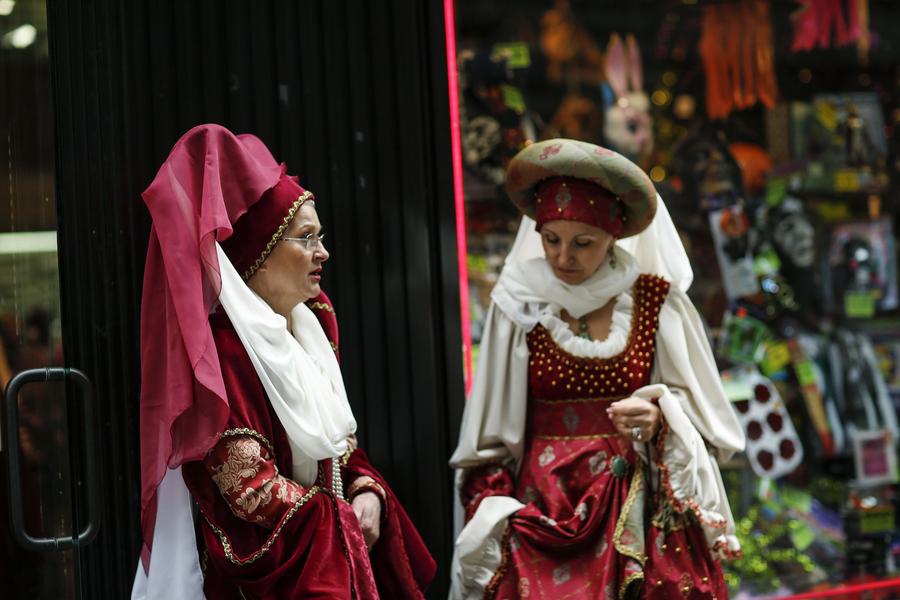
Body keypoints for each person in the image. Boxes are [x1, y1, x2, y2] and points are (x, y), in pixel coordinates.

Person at [132, 124, 435, 599]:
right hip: (278, 575)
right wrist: (339, 518)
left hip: (326, 548)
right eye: (306, 237)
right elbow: (249, 488)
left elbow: (337, 443)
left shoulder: (311, 326)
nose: (323, 252)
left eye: (321, 235)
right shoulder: (227, 354)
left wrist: (366, 491)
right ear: (258, 256)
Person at [449, 138, 745, 599]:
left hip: (636, 504)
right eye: (551, 239)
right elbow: (489, 434)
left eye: (582, 243)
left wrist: (660, 417)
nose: (564, 257)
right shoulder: (520, 307)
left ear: (614, 237)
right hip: (542, 507)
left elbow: (702, 409)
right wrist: (496, 508)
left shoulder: (655, 302)